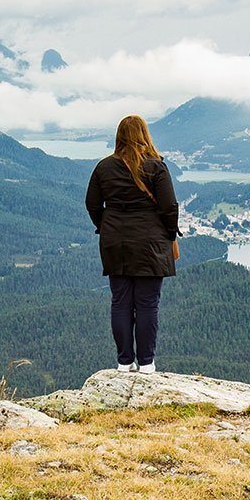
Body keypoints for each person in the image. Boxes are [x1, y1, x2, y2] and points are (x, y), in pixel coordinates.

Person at [85, 115, 180, 374]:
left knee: (121, 302)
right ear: (144, 135)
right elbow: (169, 206)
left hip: (115, 242)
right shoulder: (156, 167)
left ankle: (124, 362)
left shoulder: (103, 167)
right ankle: (147, 363)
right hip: (151, 242)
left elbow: (92, 204)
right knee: (148, 304)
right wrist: (170, 234)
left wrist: (105, 226)